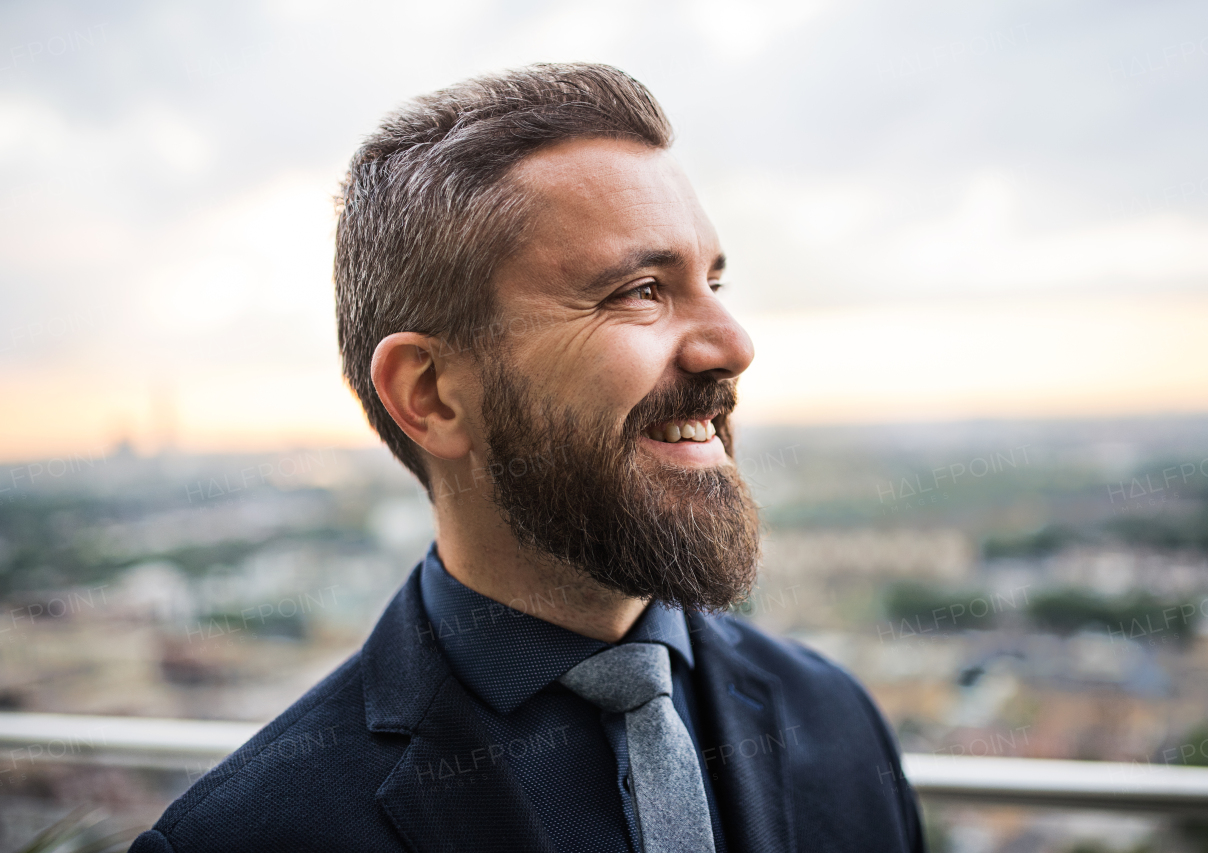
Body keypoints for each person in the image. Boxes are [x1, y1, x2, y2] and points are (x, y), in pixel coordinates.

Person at [131, 62, 924, 853]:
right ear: (433, 394)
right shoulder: (253, 837)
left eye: (714, 281)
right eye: (641, 290)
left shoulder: (837, 719)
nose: (733, 344)